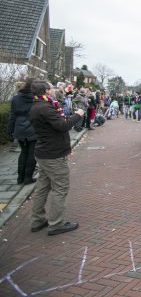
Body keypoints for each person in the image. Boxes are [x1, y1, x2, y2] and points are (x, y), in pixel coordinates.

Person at [28, 79, 84, 236]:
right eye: (51, 88)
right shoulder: (45, 108)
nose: (53, 89)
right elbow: (63, 126)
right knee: (61, 187)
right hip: (53, 155)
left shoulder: (37, 106)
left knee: (43, 187)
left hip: (44, 153)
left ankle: (37, 220)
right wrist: (78, 115)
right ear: (46, 91)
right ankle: (56, 224)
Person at [7, 78, 38, 185]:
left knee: (23, 152)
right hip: (33, 127)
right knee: (32, 153)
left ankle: (20, 178)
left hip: (19, 127)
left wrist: (10, 129)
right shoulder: (36, 98)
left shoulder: (15, 98)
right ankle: (28, 178)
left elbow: (12, 115)